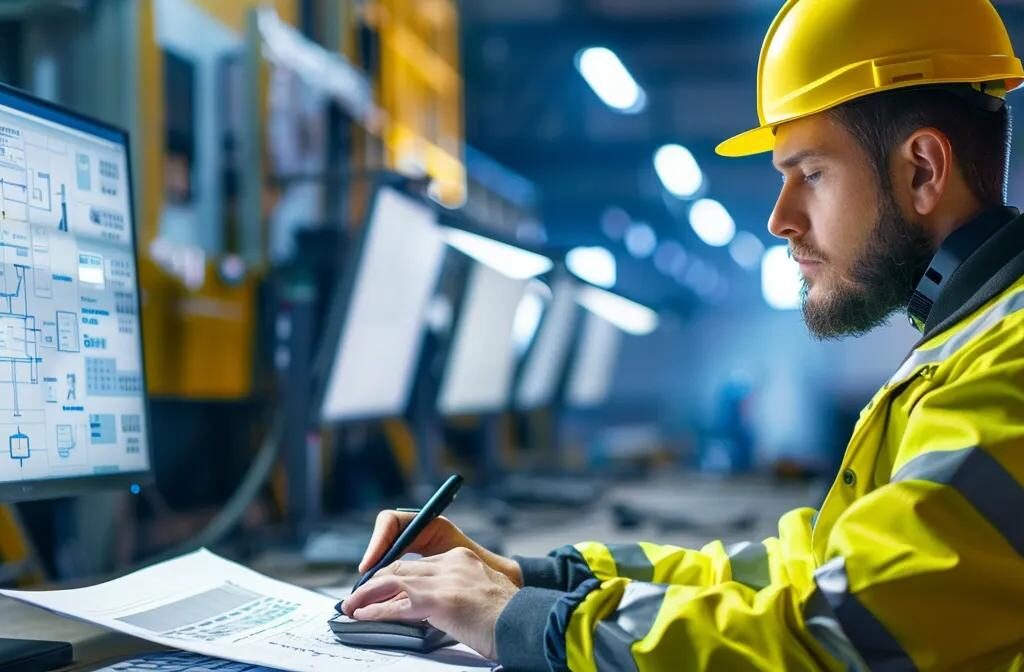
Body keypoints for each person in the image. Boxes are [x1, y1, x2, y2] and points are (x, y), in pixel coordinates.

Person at [342, 0, 1024, 669]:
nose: (781, 219)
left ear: (923, 170)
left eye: (811, 174)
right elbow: (810, 571)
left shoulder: (1007, 366)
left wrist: (519, 621)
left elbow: (835, 639)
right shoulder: (966, 348)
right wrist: (532, 577)